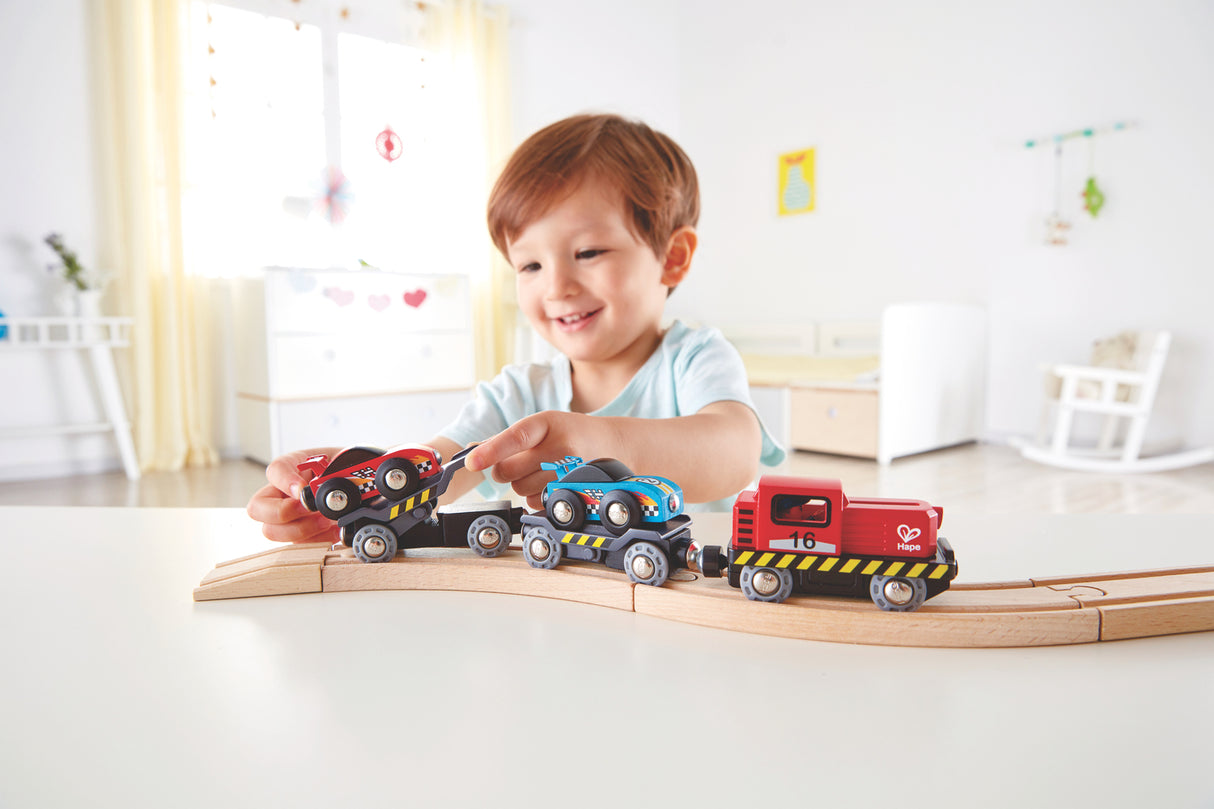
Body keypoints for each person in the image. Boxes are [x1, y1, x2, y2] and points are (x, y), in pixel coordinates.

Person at [247, 113, 783, 545]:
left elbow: (734, 453)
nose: (557, 287)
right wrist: (347, 485)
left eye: (588, 252)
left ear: (672, 257)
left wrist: (592, 437)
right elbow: (438, 468)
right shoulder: (517, 394)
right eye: (530, 266)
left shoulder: (694, 358)